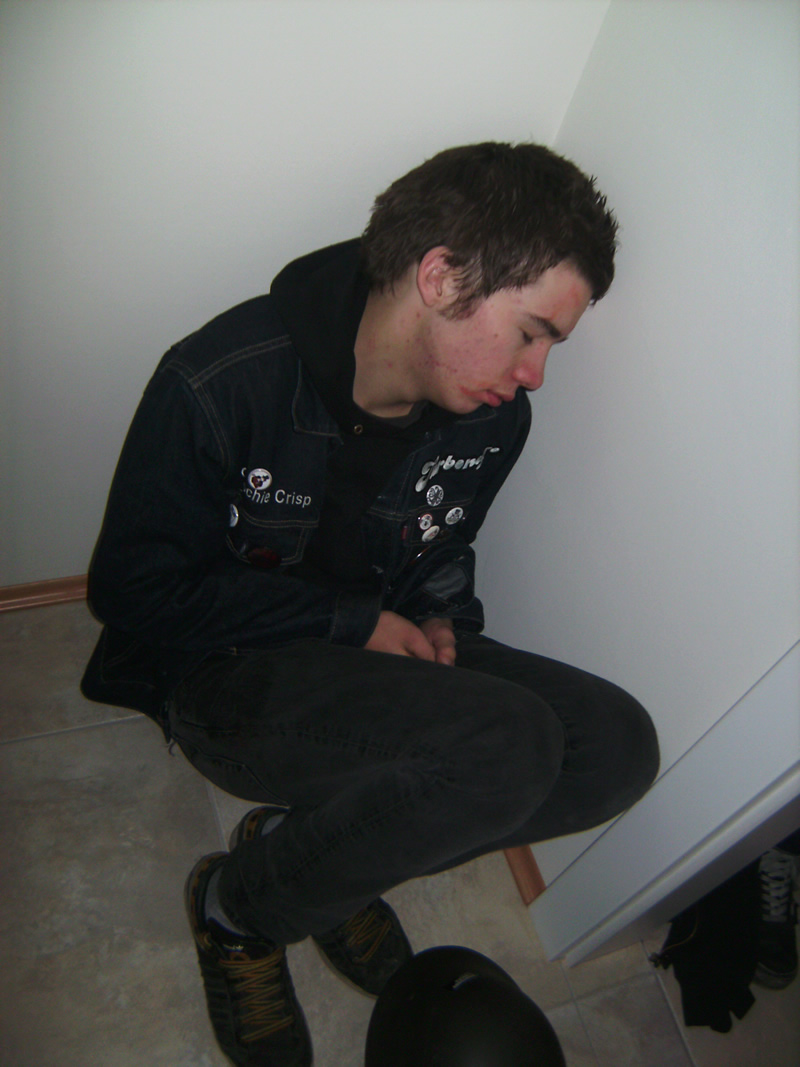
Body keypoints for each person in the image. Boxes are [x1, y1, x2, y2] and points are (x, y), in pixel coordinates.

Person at [82, 141, 659, 1067]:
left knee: (617, 748)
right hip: (227, 672)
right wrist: (349, 623)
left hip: (376, 641)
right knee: (508, 748)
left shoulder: (493, 418)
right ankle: (239, 909)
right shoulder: (221, 380)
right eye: (531, 333)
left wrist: (440, 621)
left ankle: (316, 853)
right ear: (441, 277)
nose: (536, 374)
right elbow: (132, 591)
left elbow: (443, 543)